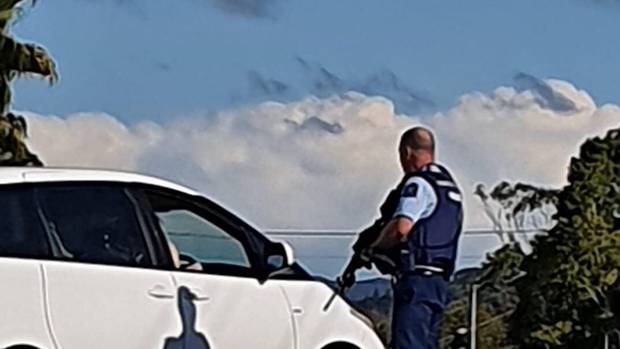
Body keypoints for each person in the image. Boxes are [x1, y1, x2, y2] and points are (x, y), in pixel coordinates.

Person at [364, 126, 464, 349]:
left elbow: (402, 227)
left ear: (407, 152)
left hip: (416, 280)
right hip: (439, 281)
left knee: (408, 344)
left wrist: (376, 246)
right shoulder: (448, 187)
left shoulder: (418, 184)